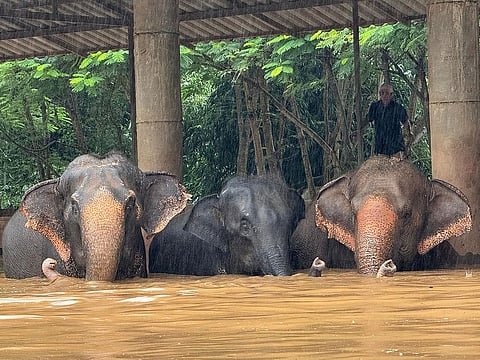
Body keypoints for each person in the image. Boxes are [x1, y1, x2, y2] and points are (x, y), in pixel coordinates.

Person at [365, 83, 410, 157]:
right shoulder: (375, 107)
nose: (384, 95)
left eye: (387, 93)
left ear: (391, 95)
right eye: (382, 93)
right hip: (380, 146)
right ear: (379, 94)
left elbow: (406, 122)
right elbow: (368, 120)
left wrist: (407, 137)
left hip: (396, 147)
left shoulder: (398, 108)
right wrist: (358, 131)